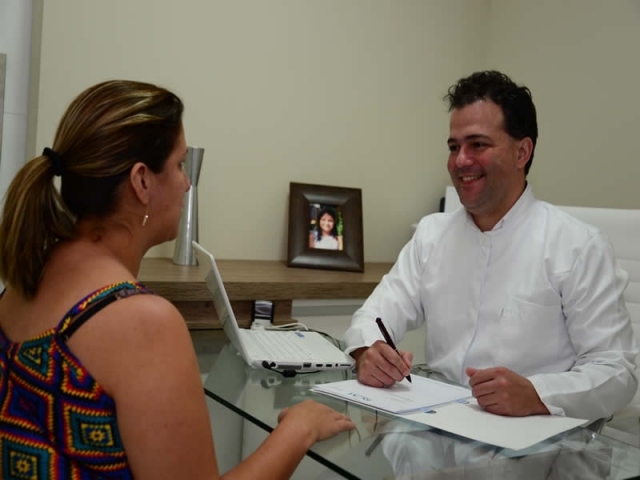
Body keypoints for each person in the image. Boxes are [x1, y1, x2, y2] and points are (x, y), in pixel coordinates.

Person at [0, 80, 354, 479]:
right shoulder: (144, 323)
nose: (187, 182)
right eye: (180, 164)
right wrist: (299, 430)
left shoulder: (27, 275)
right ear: (141, 181)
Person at [344, 70, 638, 421]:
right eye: (454, 147)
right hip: (436, 428)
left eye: (478, 145)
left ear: (522, 152)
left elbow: (617, 371)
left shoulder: (578, 247)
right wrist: (368, 351)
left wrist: (537, 393)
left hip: (535, 441)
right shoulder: (431, 235)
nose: (460, 160)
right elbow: (374, 317)